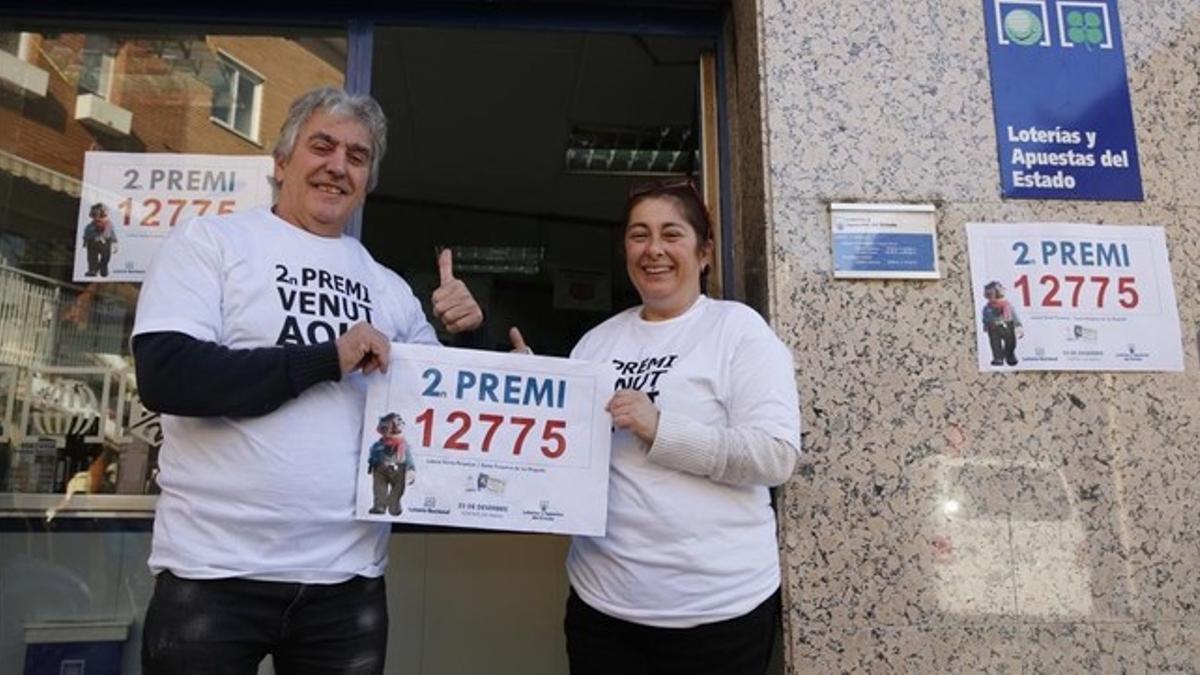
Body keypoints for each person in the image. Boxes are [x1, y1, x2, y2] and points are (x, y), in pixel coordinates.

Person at [132, 87, 492, 674]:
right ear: (281, 161)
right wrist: (327, 359)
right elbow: (169, 375)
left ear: (367, 180)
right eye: (321, 146)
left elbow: (446, 407)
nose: (337, 165)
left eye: (357, 156)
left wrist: (470, 336)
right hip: (214, 574)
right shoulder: (212, 243)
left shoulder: (388, 287)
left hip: (345, 583)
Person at [564, 178, 802, 675]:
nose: (653, 250)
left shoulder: (738, 330)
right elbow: (569, 460)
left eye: (671, 234)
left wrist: (662, 430)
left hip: (718, 613)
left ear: (705, 251)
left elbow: (776, 456)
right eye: (638, 235)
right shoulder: (595, 344)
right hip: (603, 607)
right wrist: (532, 391)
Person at [981, 280, 1021, 366]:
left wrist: (1018, 325)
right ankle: (998, 358)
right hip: (993, 327)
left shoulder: (1007, 305)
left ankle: (1010, 356)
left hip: (1007, 325)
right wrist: (985, 324)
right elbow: (985, 316)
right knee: (995, 343)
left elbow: (1014, 315)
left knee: (1011, 342)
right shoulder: (988, 307)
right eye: (988, 294)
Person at [81, 202, 117, 277]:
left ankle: (103, 270)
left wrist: (115, 242)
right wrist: (85, 240)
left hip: (105, 242)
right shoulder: (90, 226)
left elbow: (112, 233)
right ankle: (93, 270)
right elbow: (87, 232)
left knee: (106, 257)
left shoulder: (108, 224)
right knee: (92, 257)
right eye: (94, 214)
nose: (97, 218)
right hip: (92, 242)